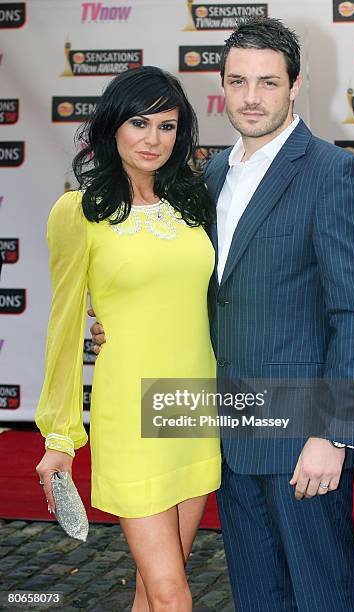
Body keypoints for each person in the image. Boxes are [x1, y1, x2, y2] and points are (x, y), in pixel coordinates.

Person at [92, 17, 354, 612]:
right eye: (238, 81)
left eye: (268, 83)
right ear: (222, 86)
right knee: (256, 597)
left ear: (295, 86)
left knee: (324, 593)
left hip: (303, 433)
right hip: (225, 428)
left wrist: (334, 433)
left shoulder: (333, 173)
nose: (251, 98)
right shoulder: (208, 175)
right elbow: (203, 289)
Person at [35, 66, 221, 612]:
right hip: (131, 412)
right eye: (140, 122)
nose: (153, 139)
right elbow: (65, 327)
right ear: (112, 126)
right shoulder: (79, 213)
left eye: (167, 125)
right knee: (170, 592)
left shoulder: (193, 206)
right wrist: (59, 437)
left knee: (154, 586)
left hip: (190, 405)